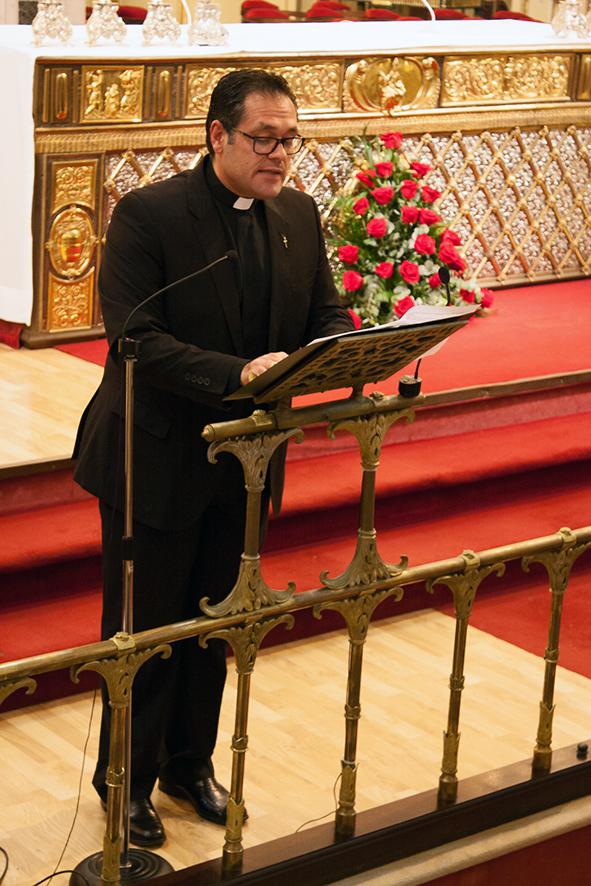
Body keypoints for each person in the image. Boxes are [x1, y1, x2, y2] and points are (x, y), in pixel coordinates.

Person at [73, 68, 353, 848]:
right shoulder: (149, 215)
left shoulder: (295, 214)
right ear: (217, 135)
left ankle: (188, 765)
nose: (279, 155)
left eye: (289, 139)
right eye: (263, 139)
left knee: (214, 625)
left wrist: (347, 349)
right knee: (147, 630)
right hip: (153, 458)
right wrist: (234, 374)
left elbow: (322, 311)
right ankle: (122, 777)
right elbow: (134, 336)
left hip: (246, 461)